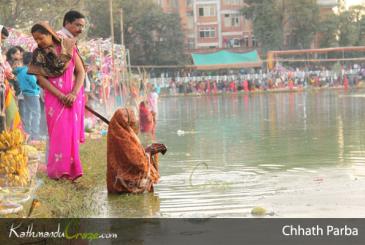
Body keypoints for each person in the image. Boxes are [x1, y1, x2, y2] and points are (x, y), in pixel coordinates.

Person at [28, 22, 85, 180]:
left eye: (41, 38)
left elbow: (81, 72)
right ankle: (57, 171)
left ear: (50, 33)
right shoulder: (38, 55)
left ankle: (72, 170)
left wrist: (73, 93)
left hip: (73, 97)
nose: (39, 42)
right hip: (54, 98)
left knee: (70, 133)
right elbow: (41, 79)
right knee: (58, 133)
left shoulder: (68, 46)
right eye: (35, 39)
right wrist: (61, 96)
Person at [107, 108, 166, 194]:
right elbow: (138, 163)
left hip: (114, 183)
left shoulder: (116, 131)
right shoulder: (125, 138)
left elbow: (133, 155)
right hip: (126, 186)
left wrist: (147, 151)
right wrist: (150, 152)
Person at [15, 52, 41, 141]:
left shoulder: (20, 70)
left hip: (24, 94)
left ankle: (27, 134)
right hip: (32, 94)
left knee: (27, 114)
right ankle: (35, 135)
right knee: (36, 114)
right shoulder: (29, 71)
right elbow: (34, 83)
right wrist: (38, 88)